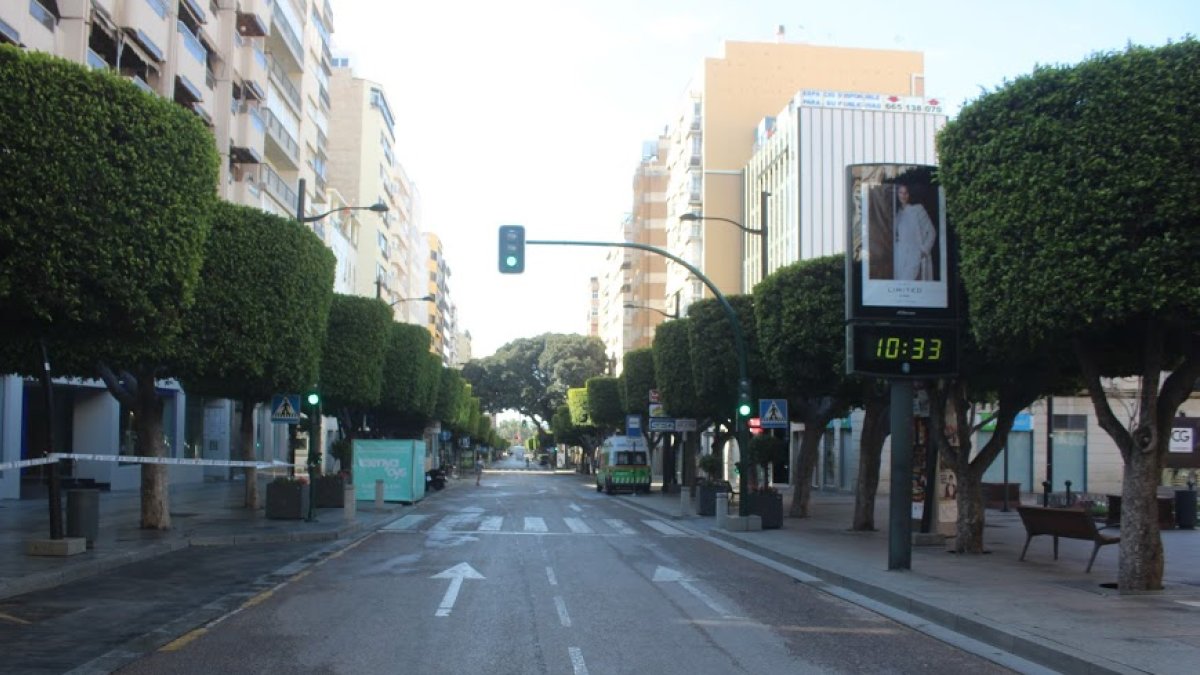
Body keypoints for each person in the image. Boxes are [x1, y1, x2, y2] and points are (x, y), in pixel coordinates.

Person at [892, 183, 936, 280]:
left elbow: (931, 232)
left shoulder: (918, 210)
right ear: (897, 194)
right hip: (900, 259)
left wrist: (923, 251)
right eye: (900, 192)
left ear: (909, 194)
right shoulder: (897, 215)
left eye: (906, 193)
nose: (903, 195)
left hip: (915, 256)